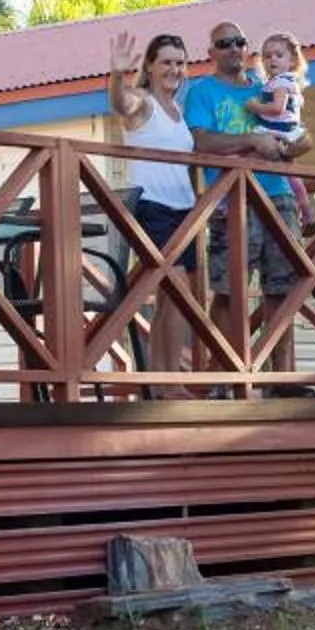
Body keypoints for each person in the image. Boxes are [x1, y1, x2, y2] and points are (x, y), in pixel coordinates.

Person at [181, 23, 310, 323]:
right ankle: (223, 368)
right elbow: (201, 142)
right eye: (225, 43)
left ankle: (280, 371)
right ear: (212, 52)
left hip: (279, 194)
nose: (234, 48)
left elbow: (301, 138)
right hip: (231, 200)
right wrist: (253, 140)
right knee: (228, 292)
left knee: (283, 291)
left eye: (239, 42)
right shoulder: (202, 90)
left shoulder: (268, 86)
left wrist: (290, 147)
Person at [108, 30, 199, 380]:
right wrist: (117, 75)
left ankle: (162, 379)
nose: (174, 69)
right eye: (166, 62)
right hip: (152, 207)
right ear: (149, 65)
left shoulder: (177, 109)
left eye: (179, 62)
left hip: (183, 210)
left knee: (169, 298)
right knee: (177, 291)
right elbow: (120, 104)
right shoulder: (142, 102)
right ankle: (169, 380)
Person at [250, 32, 313, 234]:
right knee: (290, 171)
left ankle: (305, 210)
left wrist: (256, 107)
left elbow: (277, 108)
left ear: (292, 60)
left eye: (278, 55)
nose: (272, 60)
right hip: (288, 129)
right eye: (267, 56)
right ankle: (306, 210)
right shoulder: (284, 81)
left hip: (279, 129)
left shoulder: (280, 82)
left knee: (253, 140)